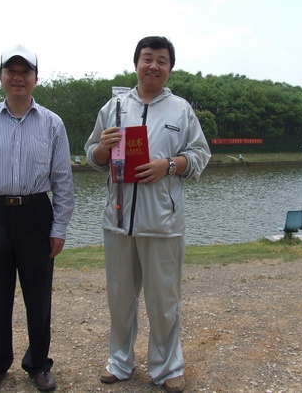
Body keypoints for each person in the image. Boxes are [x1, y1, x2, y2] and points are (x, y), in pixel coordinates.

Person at [84, 36, 211, 393]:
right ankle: (119, 362)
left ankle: (167, 367)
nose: (154, 65)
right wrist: (103, 148)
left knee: (164, 301)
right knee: (120, 299)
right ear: (136, 63)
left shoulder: (181, 110)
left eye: (162, 60)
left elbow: (200, 155)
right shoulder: (114, 107)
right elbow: (92, 156)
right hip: (118, 220)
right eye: (147, 58)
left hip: (163, 223)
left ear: (170, 68)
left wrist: (167, 165)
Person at [0, 44, 75, 393]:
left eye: (26, 72)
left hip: (36, 213)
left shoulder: (52, 123)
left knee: (38, 296)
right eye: (12, 71)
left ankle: (38, 363)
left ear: (36, 78)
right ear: (1, 77)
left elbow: (63, 181)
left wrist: (59, 227)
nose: (18, 78)